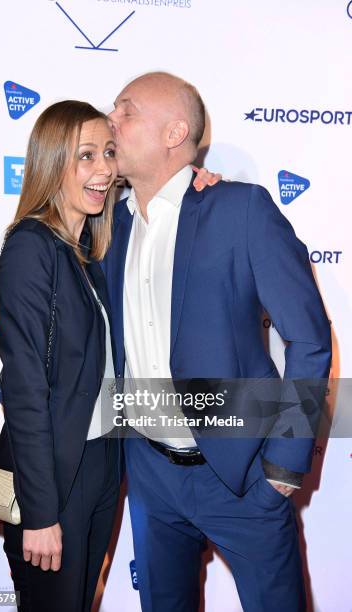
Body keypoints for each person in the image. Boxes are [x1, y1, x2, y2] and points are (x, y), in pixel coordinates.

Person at [103, 72, 332, 611]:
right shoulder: (108, 220)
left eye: (126, 110)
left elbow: (310, 339)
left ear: (173, 132)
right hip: (150, 476)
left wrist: (283, 465)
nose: (111, 120)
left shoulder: (240, 211)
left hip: (243, 473)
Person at [0, 98, 215, 611]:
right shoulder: (32, 245)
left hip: (100, 464)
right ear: (52, 162)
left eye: (108, 153)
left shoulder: (89, 251)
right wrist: (41, 513)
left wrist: (203, 186)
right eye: (85, 156)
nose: (103, 169)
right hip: (53, 477)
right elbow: (25, 387)